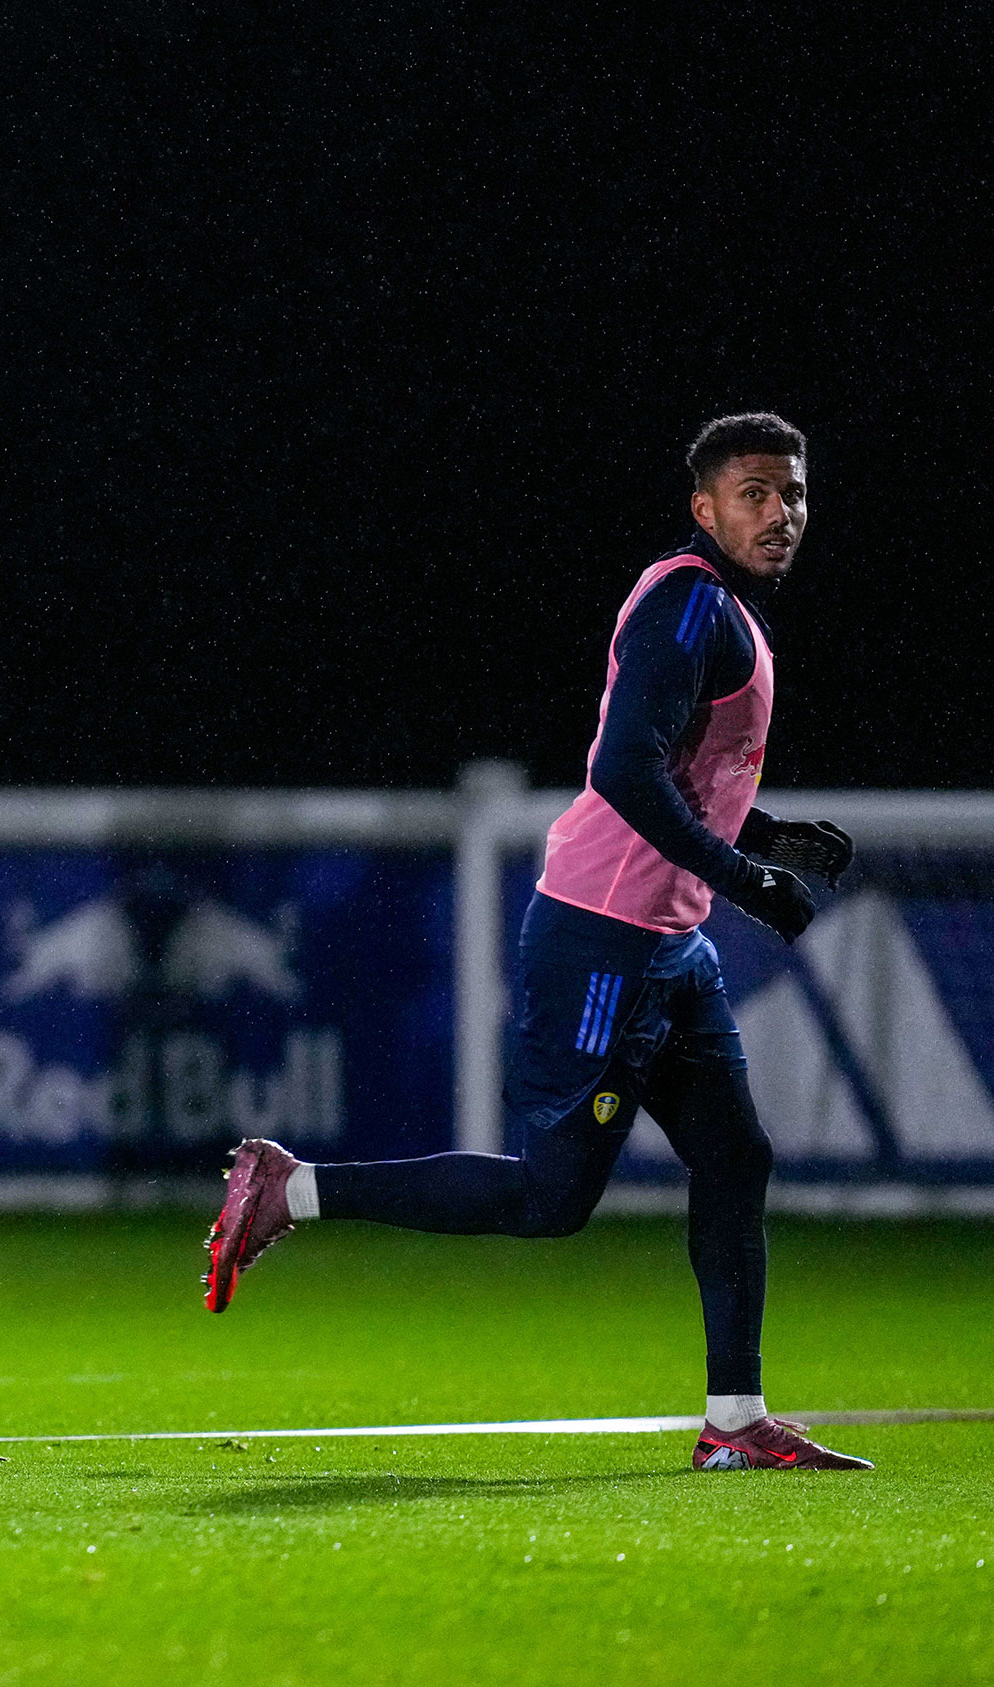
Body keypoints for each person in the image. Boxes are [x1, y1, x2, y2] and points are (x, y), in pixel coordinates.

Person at [203, 413, 870, 1472]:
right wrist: (747, 877)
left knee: (736, 1158)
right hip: (603, 939)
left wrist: (761, 835)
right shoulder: (693, 603)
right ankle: (292, 1187)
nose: (781, 513)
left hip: (670, 943)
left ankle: (735, 1421)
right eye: (756, 492)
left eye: (793, 493)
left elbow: (676, 775)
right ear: (705, 507)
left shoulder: (723, 610)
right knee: (549, 1199)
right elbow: (623, 773)